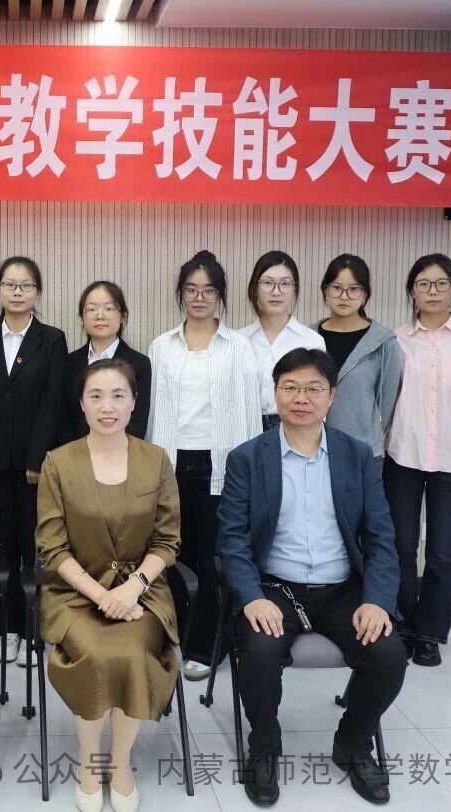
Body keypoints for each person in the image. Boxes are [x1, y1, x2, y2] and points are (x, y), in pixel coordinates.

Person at [216, 348, 406, 808]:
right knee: (259, 651)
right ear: (276, 392)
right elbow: (232, 540)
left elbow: (381, 536)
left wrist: (377, 600)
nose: (301, 398)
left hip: (344, 589)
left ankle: (353, 743)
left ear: (332, 395)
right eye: (291, 387)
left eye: (313, 388)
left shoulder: (356, 456)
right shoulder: (247, 458)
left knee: (388, 656)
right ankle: (264, 747)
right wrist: (250, 597)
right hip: (273, 588)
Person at [37, 358, 181, 812]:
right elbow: (52, 548)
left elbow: (167, 541)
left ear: (134, 402)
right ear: (81, 404)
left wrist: (132, 589)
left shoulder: (155, 459)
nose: (107, 406)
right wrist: (104, 597)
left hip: (143, 592)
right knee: (97, 655)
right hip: (75, 594)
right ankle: (89, 764)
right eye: (95, 396)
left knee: (132, 654)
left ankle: (119, 764)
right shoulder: (59, 462)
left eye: (118, 395)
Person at [147, 250, 261, 682]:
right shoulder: (162, 346)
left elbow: (249, 415)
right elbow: (153, 413)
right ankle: (172, 631)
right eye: (191, 290)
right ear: (181, 294)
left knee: (213, 556)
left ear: (220, 296)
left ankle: (207, 644)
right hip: (171, 463)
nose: (199, 298)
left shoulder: (238, 348)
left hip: (220, 465)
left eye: (208, 291)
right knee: (170, 553)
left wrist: (248, 473)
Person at [385, 255, 451, 667]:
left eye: (441, 283)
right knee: (401, 546)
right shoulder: (396, 339)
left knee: (443, 551)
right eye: (423, 284)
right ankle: (401, 625)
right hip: (402, 455)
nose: (432, 291)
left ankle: (429, 633)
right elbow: (389, 400)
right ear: (412, 291)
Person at [0, 256, 67, 664]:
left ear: (37, 293)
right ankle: (7, 628)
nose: (17, 292)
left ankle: (33, 631)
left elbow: (53, 401)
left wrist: (37, 459)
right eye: (9, 285)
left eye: (26, 285)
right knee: (1, 549)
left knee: (36, 548)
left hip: (34, 467)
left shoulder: (53, 339)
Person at [315, 254, 402, 459]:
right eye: (336, 287)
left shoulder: (383, 341)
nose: (344, 296)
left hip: (363, 450)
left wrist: (371, 436)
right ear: (325, 291)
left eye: (354, 289)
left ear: (365, 295)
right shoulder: (309, 337)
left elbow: (387, 402)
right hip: (313, 448)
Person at [237, 250, 326, 431]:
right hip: (246, 427)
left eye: (285, 283)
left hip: (296, 427)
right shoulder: (239, 340)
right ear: (255, 288)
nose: (276, 291)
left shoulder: (311, 340)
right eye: (268, 283)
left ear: (294, 290)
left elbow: (318, 396)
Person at [62, 281, 151, 442]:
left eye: (108, 309)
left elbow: (138, 422)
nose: (100, 315)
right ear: (82, 318)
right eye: (92, 309)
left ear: (122, 316)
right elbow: (63, 418)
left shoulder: (139, 364)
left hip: (122, 453)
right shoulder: (68, 363)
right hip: (74, 453)